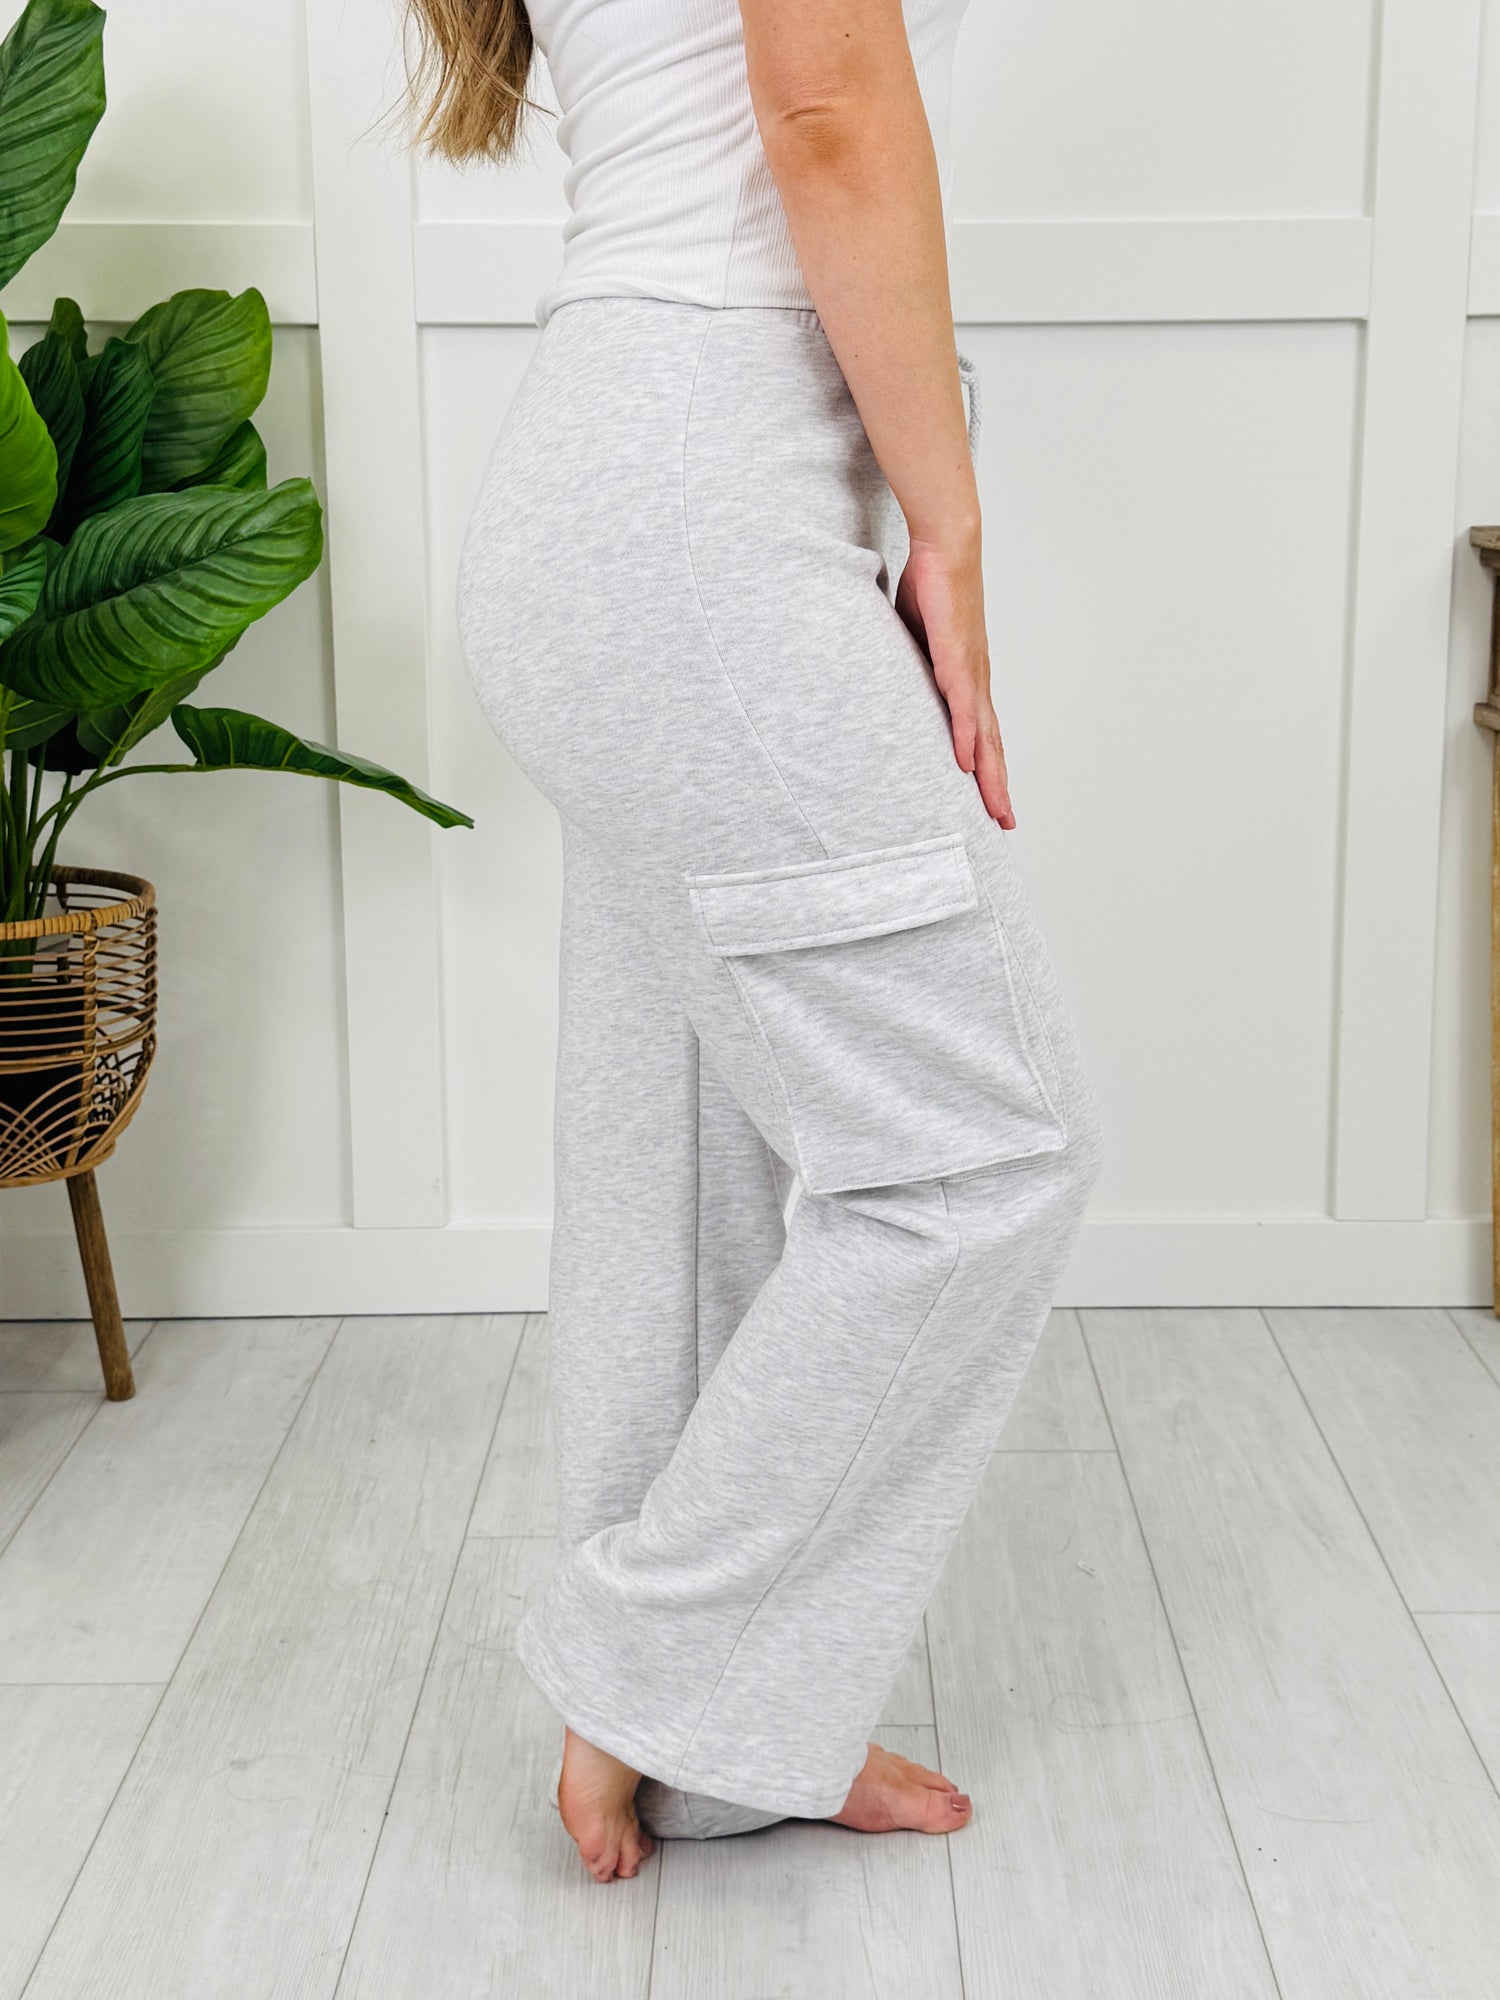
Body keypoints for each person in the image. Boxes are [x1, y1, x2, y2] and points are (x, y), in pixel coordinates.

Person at [403, 0, 1104, 1884]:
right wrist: (949, 525)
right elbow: (827, 102)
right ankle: (647, 1666)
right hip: (698, 503)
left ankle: (710, 1737)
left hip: (637, 489)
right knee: (977, 1150)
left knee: (689, 1158)